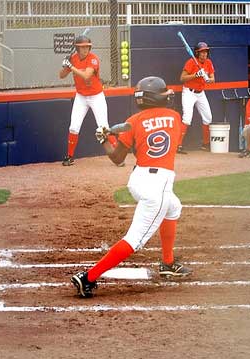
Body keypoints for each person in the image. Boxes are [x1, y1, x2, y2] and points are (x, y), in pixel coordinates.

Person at [71, 76, 191, 299]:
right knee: (134, 240)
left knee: (174, 207)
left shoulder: (133, 121)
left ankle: (167, 263)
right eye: (163, 94)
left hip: (139, 180)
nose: (167, 97)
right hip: (157, 187)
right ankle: (88, 278)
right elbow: (158, 140)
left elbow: (117, 158)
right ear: (154, 97)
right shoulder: (175, 118)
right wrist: (119, 136)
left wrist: (106, 140)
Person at [59, 35, 118, 166]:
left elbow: (86, 76)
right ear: (77, 48)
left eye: (87, 47)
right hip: (81, 97)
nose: (85, 49)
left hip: (96, 96)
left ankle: (119, 154)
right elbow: (61, 76)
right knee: (73, 127)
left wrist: (72, 67)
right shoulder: (73, 59)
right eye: (82, 47)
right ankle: (69, 156)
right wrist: (65, 66)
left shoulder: (93, 59)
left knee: (104, 127)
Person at [177, 41, 215, 154]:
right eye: (202, 52)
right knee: (187, 118)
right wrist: (196, 75)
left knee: (208, 118)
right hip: (189, 92)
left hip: (200, 93)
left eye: (206, 52)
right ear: (197, 53)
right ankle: (178, 145)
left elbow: (213, 78)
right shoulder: (191, 62)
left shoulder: (208, 62)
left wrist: (208, 79)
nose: (204, 54)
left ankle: (205, 144)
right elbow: (182, 78)